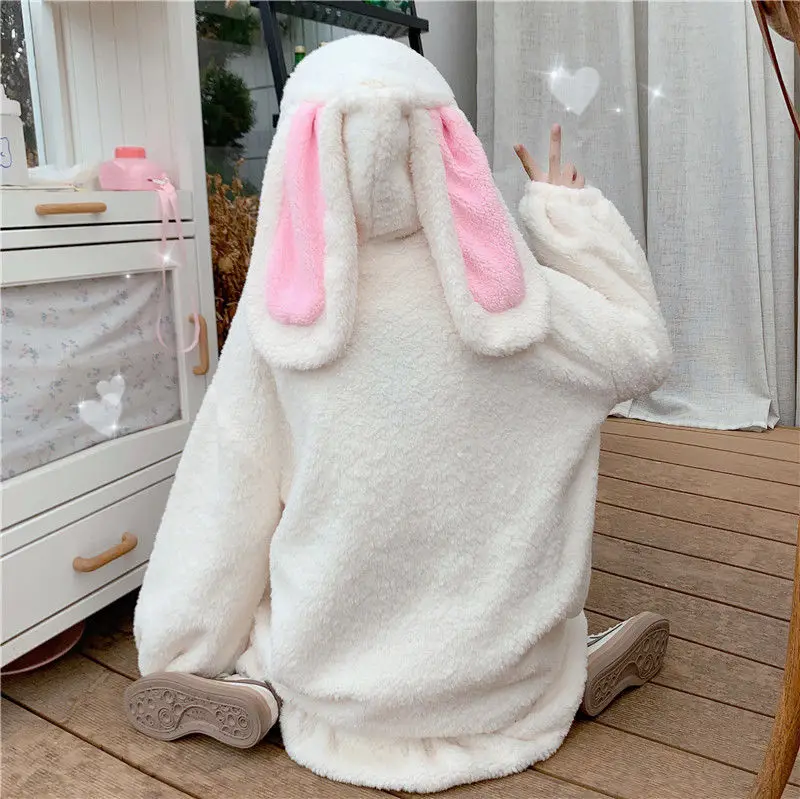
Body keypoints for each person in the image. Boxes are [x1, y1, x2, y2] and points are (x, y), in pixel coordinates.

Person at [126, 35, 672, 794]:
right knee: (531, 620)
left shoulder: (280, 322)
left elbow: (221, 505)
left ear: (296, 160)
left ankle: (262, 684)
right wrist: (567, 216)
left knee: (267, 546)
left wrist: (178, 648)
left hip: (338, 697)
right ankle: (559, 667)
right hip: (505, 689)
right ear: (452, 152)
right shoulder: (520, 305)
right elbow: (643, 349)